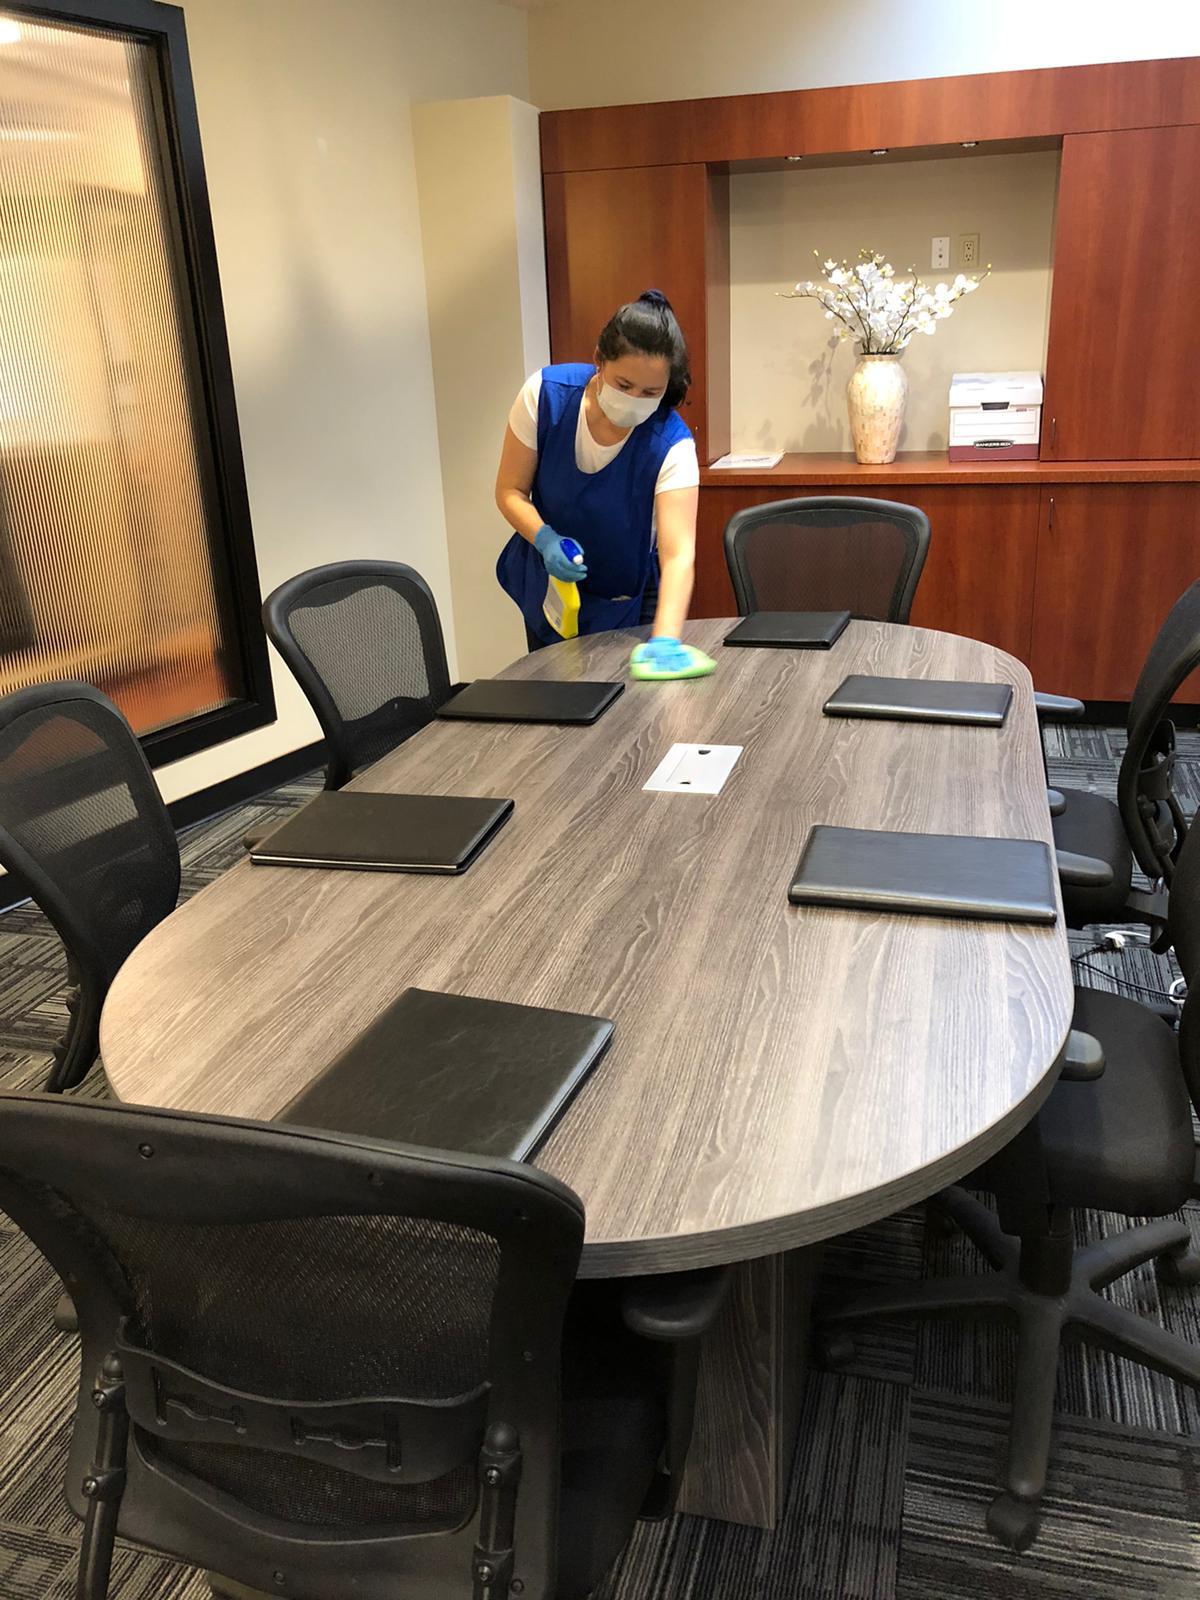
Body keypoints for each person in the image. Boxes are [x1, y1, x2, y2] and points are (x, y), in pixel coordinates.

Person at [494, 289, 714, 679]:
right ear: (599, 359)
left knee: (631, 703)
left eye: (650, 393)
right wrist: (545, 539)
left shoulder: (671, 444)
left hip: (625, 594)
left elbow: (678, 554)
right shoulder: (545, 396)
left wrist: (665, 640)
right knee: (556, 696)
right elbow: (509, 490)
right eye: (624, 385)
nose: (634, 400)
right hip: (552, 586)